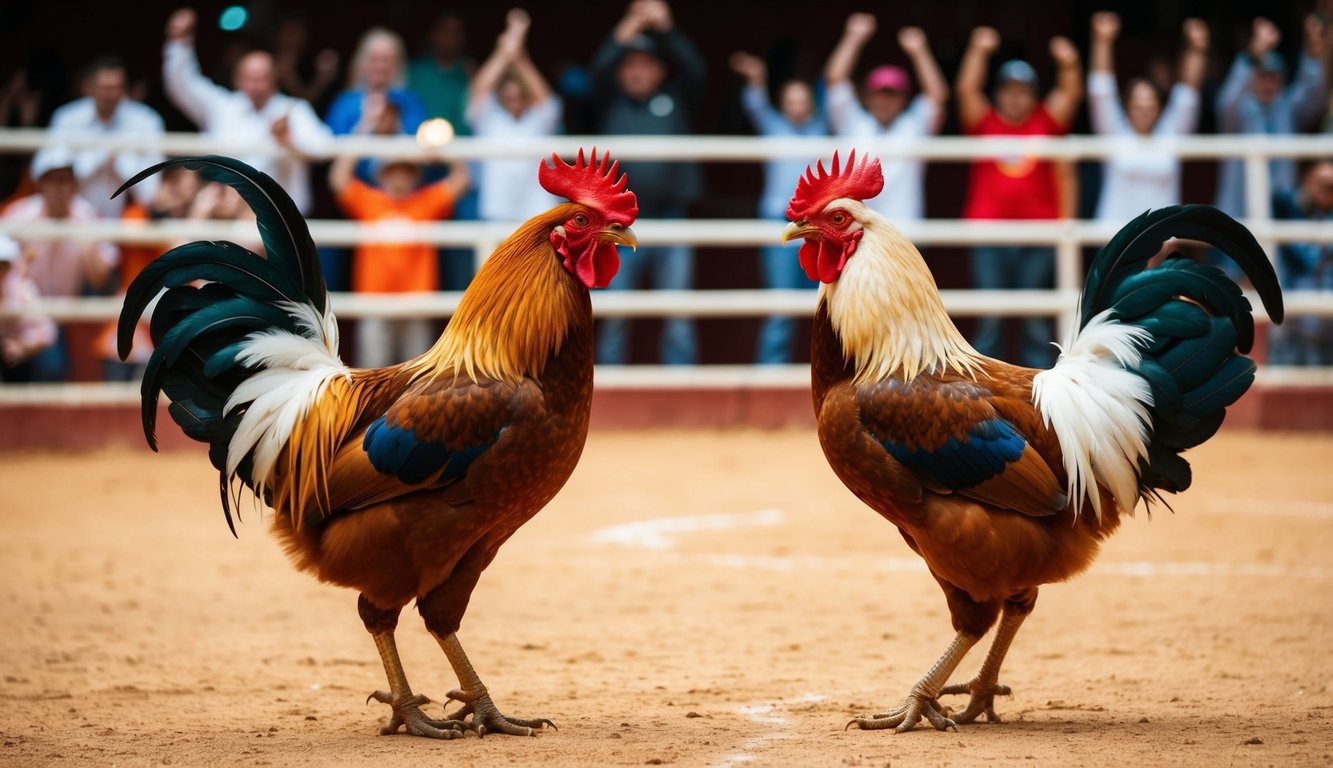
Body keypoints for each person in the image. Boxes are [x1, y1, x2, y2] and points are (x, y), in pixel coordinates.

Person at [956, 26, 1082, 369]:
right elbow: (966, 88)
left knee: (1034, 320)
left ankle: (1037, 390)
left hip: (1038, 235)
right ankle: (987, 392)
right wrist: (978, 51)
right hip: (988, 234)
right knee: (990, 315)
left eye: (1023, 91)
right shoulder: (985, 121)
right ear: (997, 94)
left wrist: (1068, 63)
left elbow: (1070, 93)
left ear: (1034, 96)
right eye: (1008, 91)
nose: (1015, 98)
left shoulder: (1045, 121)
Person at [591, 0, 704, 366]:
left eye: (646, 64)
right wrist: (630, 23)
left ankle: (683, 386)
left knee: (678, 312)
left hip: (671, 219)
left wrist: (666, 28)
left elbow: (695, 71)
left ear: (659, 71)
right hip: (619, 225)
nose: (637, 72)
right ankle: (606, 387)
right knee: (615, 313)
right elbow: (598, 68)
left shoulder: (676, 97)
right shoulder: (609, 100)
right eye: (630, 65)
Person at [329, 94, 470, 369]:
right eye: (393, 171)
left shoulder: (425, 200)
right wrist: (364, 129)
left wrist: (443, 150)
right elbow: (337, 178)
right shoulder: (368, 199)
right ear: (382, 175)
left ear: (415, 175)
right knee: (372, 376)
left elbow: (463, 180)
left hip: (416, 304)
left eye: (406, 171)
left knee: (415, 381)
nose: (399, 177)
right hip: (375, 304)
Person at [161, 7, 333, 215]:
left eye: (263, 77)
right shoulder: (222, 106)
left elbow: (326, 147)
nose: (257, 85)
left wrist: (291, 142)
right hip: (226, 216)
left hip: (281, 221)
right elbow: (183, 84)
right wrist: (179, 42)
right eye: (251, 78)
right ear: (238, 80)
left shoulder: (294, 110)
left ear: (274, 80)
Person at [729, 50, 825, 364]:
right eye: (791, 101)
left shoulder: (822, 130)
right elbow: (755, 103)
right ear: (783, 104)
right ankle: (771, 375)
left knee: (823, 308)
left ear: (811, 103)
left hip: (817, 225)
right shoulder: (774, 126)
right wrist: (756, 77)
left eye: (802, 100)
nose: (797, 106)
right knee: (781, 305)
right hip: (778, 222)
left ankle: (822, 374)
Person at [1, 148, 118, 381]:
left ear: (73, 184)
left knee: (53, 367)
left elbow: (101, 280)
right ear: (40, 183)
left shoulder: (88, 217)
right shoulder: (19, 215)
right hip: (23, 311)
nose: (58, 188)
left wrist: (84, 237)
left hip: (65, 312)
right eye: (52, 179)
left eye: (64, 180)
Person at [822, 13, 948, 221]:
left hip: (904, 232)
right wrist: (853, 38)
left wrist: (919, 51)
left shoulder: (913, 125)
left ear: (904, 100)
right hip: (857, 230)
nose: (885, 101)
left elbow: (937, 95)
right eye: (879, 94)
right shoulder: (853, 122)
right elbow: (835, 80)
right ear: (867, 97)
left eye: (892, 95)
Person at [1088, 13, 1208, 223]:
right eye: (1137, 105)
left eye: (1150, 105)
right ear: (1126, 107)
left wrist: (1197, 49)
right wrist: (1102, 41)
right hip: (1116, 242)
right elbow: (1101, 90)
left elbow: (1187, 95)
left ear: (1160, 108)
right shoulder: (1114, 132)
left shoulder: (1171, 133)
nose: (1144, 110)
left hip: (1162, 242)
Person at [1215, 15, 1328, 219]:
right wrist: (1252, 54)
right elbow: (1228, 99)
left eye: (1274, 78)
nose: (1269, 84)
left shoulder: (1286, 108)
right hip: (1238, 216)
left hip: (1281, 214)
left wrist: (1313, 48)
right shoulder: (1238, 110)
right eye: (1263, 77)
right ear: (1252, 79)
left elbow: (1313, 92)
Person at [468, 8, 562, 223]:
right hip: (497, 211)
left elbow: (545, 98)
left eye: (520, 96)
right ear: (500, 95)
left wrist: (519, 56)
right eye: (509, 96)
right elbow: (481, 87)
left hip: (538, 210)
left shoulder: (538, 118)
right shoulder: (489, 118)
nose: (514, 100)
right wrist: (504, 52)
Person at [46, 55, 165, 220]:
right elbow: (50, 175)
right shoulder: (67, 118)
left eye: (117, 87)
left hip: (129, 224)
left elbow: (150, 193)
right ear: (88, 87)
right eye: (105, 88)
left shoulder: (147, 121)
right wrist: (99, 157)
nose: (111, 94)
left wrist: (121, 160)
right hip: (73, 222)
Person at [1269, 159, 1333, 366]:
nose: (1327, 190)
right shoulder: (1289, 210)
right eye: (1321, 183)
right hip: (1292, 332)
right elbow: (1277, 196)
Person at [326, 27, 427, 138]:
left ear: (397, 64)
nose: (380, 67)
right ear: (362, 63)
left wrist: (395, 124)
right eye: (374, 60)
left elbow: (420, 144)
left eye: (386, 60)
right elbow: (330, 145)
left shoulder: (410, 103)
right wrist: (365, 124)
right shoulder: (344, 103)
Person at [0, 234, 58, 384]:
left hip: (17, 362)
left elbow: (48, 331)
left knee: (50, 364)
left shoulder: (22, 290)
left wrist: (22, 345)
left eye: (3, 265)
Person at [407, 11, 474, 133]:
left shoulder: (470, 72)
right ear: (433, 34)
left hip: (462, 145)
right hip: (419, 146)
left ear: (463, 37)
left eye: (456, 32)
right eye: (445, 31)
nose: (450, 38)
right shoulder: (415, 71)